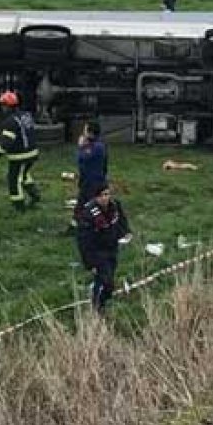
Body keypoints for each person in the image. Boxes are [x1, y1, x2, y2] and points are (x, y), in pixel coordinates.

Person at [75, 183, 132, 313]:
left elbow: (121, 220)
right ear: (96, 198)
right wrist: (90, 263)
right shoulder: (88, 215)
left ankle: (101, 298)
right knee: (105, 281)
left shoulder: (115, 206)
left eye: (107, 194)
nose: (105, 198)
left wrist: (126, 232)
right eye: (102, 195)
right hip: (97, 252)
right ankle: (97, 306)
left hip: (112, 248)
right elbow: (84, 242)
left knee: (109, 277)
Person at [0, 90, 40, 211]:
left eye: (3, 105)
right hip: (33, 152)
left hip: (19, 155)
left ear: (8, 106)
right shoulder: (26, 115)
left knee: (14, 179)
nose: (2, 108)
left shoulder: (10, 121)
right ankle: (34, 194)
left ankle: (19, 206)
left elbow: (7, 142)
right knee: (24, 174)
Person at [72, 121, 108, 230]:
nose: (83, 132)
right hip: (89, 181)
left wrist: (80, 147)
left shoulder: (95, 147)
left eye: (85, 130)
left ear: (91, 133)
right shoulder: (99, 146)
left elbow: (81, 158)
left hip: (92, 182)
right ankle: (75, 225)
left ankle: (100, 226)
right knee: (81, 205)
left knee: (91, 206)